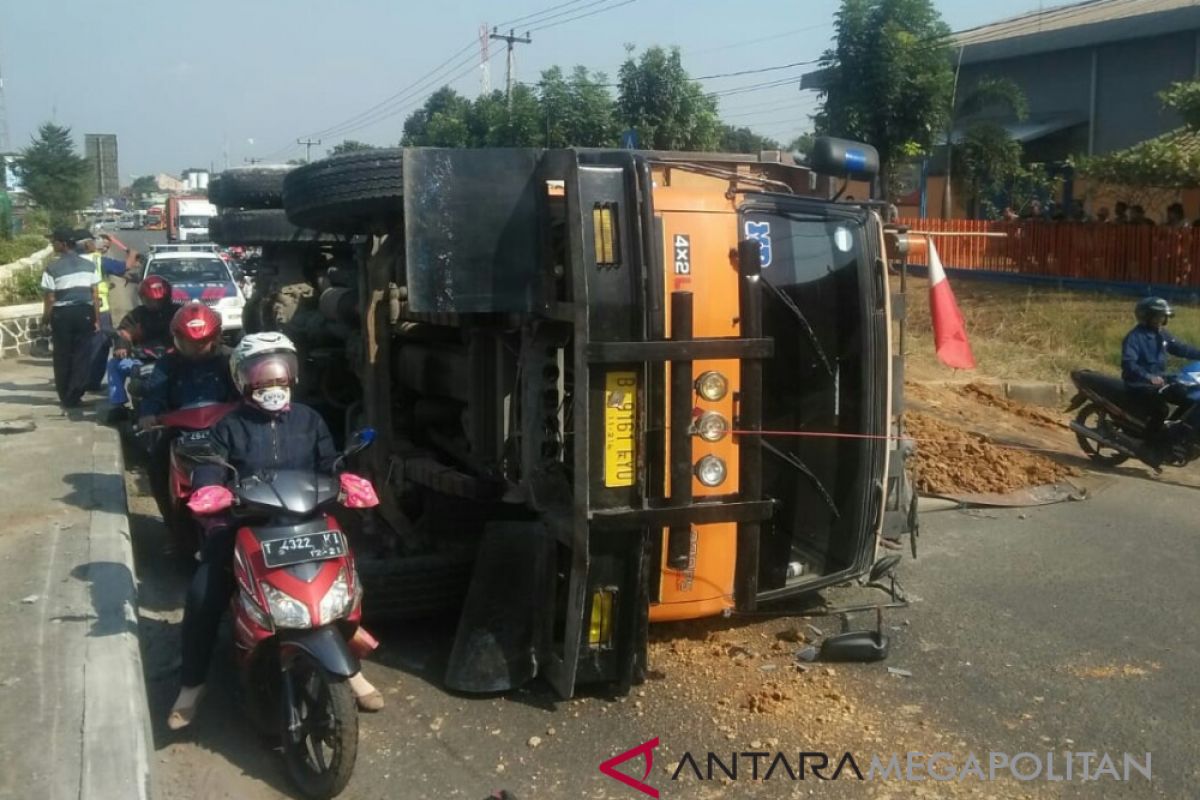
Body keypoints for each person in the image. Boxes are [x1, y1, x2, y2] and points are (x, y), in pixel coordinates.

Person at [167, 332, 384, 730]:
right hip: (243, 525)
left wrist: (346, 479)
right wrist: (210, 486)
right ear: (243, 380)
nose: (274, 387)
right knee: (203, 594)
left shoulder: (309, 419)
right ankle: (191, 685)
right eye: (263, 379)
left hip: (304, 523)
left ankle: (349, 669)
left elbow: (327, 462)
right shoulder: (228, 426)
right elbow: (211, 463)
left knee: (345, 585)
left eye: (280, 377)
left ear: (293, 377)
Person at [138, 303, 238, 522]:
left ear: (216, 336)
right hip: (179, 431)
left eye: (202, 341)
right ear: (177, 339)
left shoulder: (231, 360)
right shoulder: (167, 364)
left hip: (225, 429)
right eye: (190, 342)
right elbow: (155, 392)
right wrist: (148, 414)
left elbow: (244, 388)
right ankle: (172, 522)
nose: (197, 347)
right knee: (156, 467)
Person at [1122, 297, 1200, 464]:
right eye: (1157, 317)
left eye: (1163, 317)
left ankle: (1174, 435)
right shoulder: (1135, 337)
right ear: (1146, 316)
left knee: (1189, 399)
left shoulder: (1161, 334)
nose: (1161, 320)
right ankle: (1149, 447)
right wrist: (1149, 377)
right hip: (1139, 384)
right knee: (1161, 409)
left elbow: (1181, 348)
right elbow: (1129, 364)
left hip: (1159, 380)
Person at [104, 275, 182, 423]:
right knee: (114, 364)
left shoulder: (178, 313)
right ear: (143, 298)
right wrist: (122, 345)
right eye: (150, 300)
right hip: (141, 361)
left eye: (159, 300)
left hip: (174, 361)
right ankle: (118, 405)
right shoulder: (137, 315)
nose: (155, 304)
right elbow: (124, 332)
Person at [40, 227, 100, 410]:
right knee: (82, 355)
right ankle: (76, 394)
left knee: (62, 355)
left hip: (63, 316)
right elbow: (95, 295)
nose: (52, 244)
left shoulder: (52, 268)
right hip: (85, 312)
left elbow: (50, 298)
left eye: (54, 241)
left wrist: (45, 319)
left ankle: (65, 396)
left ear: (63, 244)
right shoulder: (89, 266)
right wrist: (96, 319)